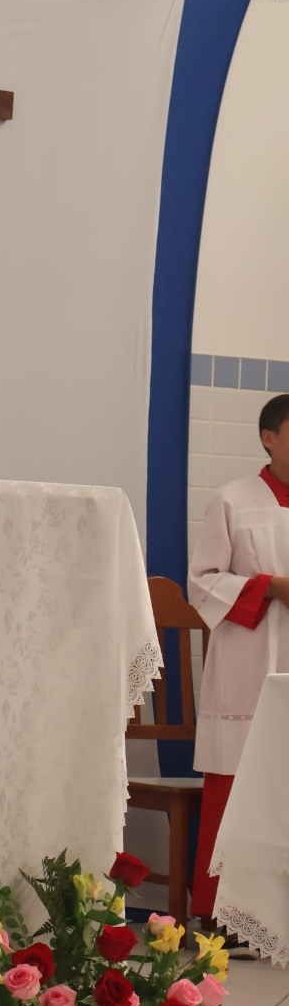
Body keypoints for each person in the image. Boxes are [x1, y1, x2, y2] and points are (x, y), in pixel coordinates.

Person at [188, 391, 289, 928]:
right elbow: (202, 582)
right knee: (237, 783)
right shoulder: (232, 501)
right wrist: (269, 586)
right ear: (268, 438)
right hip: (250, 662)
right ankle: (223, 915)